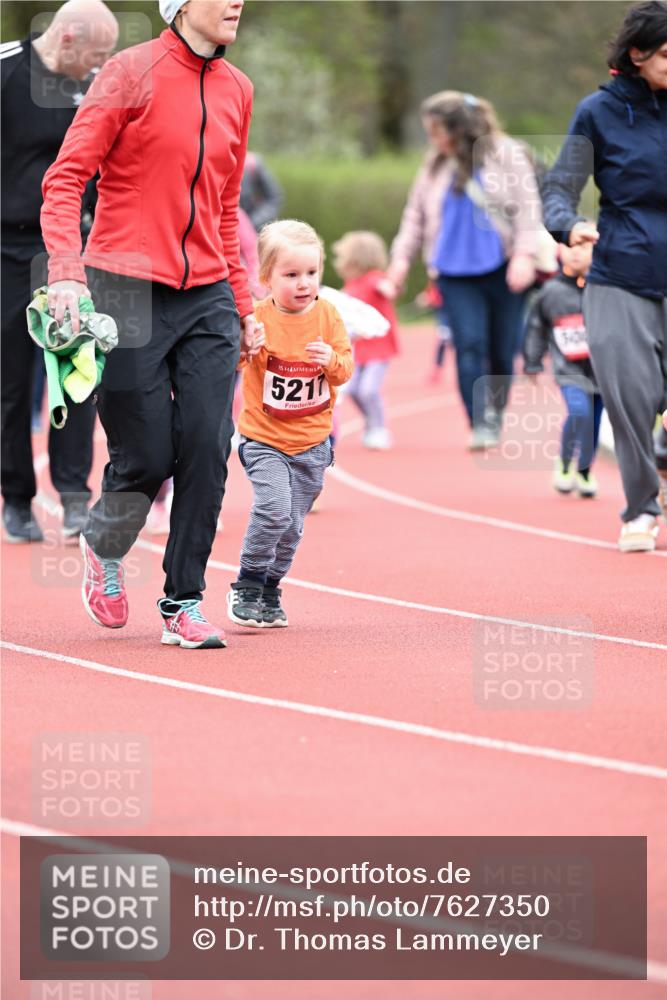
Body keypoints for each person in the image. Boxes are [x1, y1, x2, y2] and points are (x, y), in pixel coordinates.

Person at [40, 0, 262, 648]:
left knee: (205, 443)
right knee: (147, 454)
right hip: (123, 285)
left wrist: (244, 305)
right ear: (180, 5)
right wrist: (66, 275)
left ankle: (182, 601)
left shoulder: (238, 89)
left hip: (209, 293)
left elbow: (224, 206)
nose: (235, 2)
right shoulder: (127, 74)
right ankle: (105, 543)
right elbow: (66, 180)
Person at [541, 0, 667, 552]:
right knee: (632, 399)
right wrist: (570, 227)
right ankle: (641, 507)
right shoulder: (598, 111)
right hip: (620, 274)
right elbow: (557, 190)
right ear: (637, 54)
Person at [1, 0, 118, 543]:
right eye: (97, 52)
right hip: (5, 248)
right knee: (8, 382)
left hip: (70, 250)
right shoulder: (5, 70)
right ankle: (17, 500)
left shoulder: (96, 85)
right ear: (68, 38)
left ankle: (75, 498)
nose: (103, 63)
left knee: (76, 370)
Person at [385, 91, 541, 451]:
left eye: (436, 131)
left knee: (503, 348)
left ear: (458, 128)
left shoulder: (506, 153)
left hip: (502, 267)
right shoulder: (434, 164)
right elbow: (415, 216)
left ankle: (497, 411)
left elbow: (528, 207)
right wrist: (400, 261)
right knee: (469, 344)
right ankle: (479, 421)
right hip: (453, 272)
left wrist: (523, 256)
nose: (432, 139)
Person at [227, 220, 353, 629]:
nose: (304, 284)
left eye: (312, 273)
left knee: (293, 526)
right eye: (292, 275)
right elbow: (235, 363)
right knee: (274, 510)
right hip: (265, 439)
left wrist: (329, 362)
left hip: (313, 443)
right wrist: (248, 348)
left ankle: (270, 588)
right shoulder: (257, 318)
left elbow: (345, 368)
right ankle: (246, 584)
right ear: (265, 278)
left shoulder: (328, 315)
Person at [523, 241, 604, 498]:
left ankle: (584, 470)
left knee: (594, 421)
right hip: (568, 367)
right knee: (579, 411)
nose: (577, 251)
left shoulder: (606, 288)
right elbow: (536, 327)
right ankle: (565, 461)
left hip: (602, 370)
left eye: (584, 246)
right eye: (570, 246)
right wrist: (533, 361)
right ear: (559, 251)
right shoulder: (551, 291)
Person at [332, 230, 399, 450]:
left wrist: (390, 286)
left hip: (378, 347)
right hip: (358, 347)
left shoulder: (374, 280)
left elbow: (386, 287)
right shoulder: (350, 287)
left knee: (369, 389)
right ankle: (371, 421)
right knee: (351, 390)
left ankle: (380, 428)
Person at [240, 151, 283, 232]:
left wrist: (252, 223)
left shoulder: (252, 164)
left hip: (253, 226)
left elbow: (275, 198)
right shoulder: (215, 164)